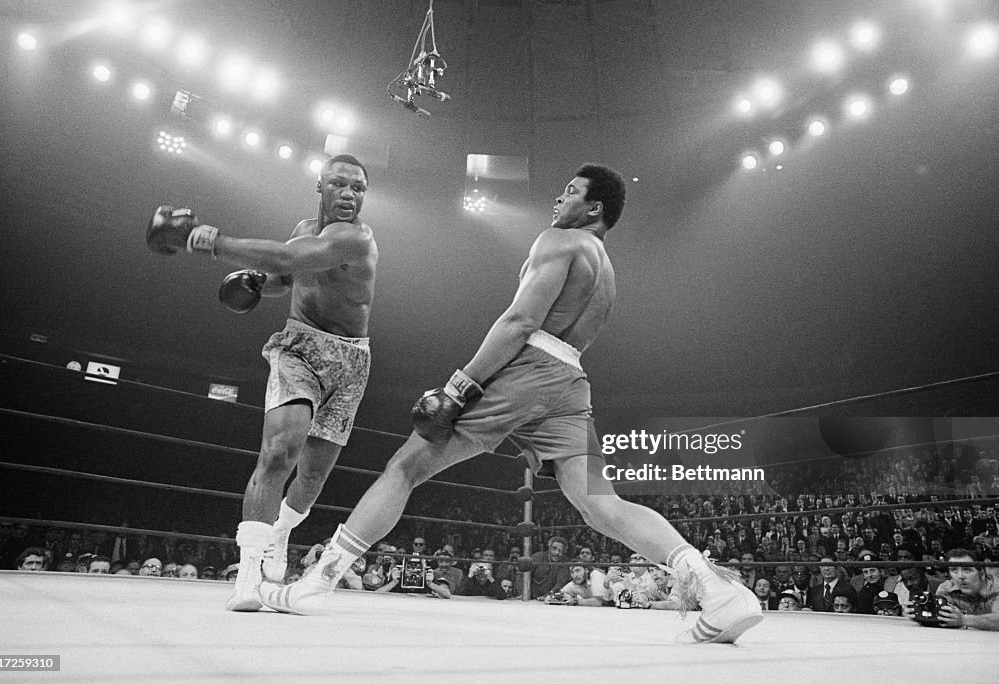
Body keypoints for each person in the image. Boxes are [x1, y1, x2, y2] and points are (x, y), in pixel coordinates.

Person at [259, 163, 761, 643]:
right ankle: (719, 590)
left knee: (405, 467)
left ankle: (315, 583)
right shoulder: (605, 269)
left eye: (571, 191)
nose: (559, 198)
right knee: (600, 504)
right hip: (570, 380)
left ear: (594, 209)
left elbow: (520, 321)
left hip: (528, 371)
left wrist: (461, 385)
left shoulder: (558, 240)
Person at [147, 154, 377, 611]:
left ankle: (281, 534)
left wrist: (205, 240)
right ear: (320, 187)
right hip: (298, 349)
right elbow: (283, 275)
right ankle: (247, 578)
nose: (349, 195)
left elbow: (291, 257)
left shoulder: (356, 238)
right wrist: (256, 280)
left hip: (351, 361)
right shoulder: (301, 229)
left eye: (358, 188)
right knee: (278, 453)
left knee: (311, 477)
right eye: (339, 184)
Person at [931, 548, 999, 631]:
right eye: (954, 570)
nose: (960, 576)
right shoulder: (946, 589)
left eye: (967, 570)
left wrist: (964, 620)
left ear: (981, 573)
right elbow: (939, 619)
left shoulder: (996, 587)